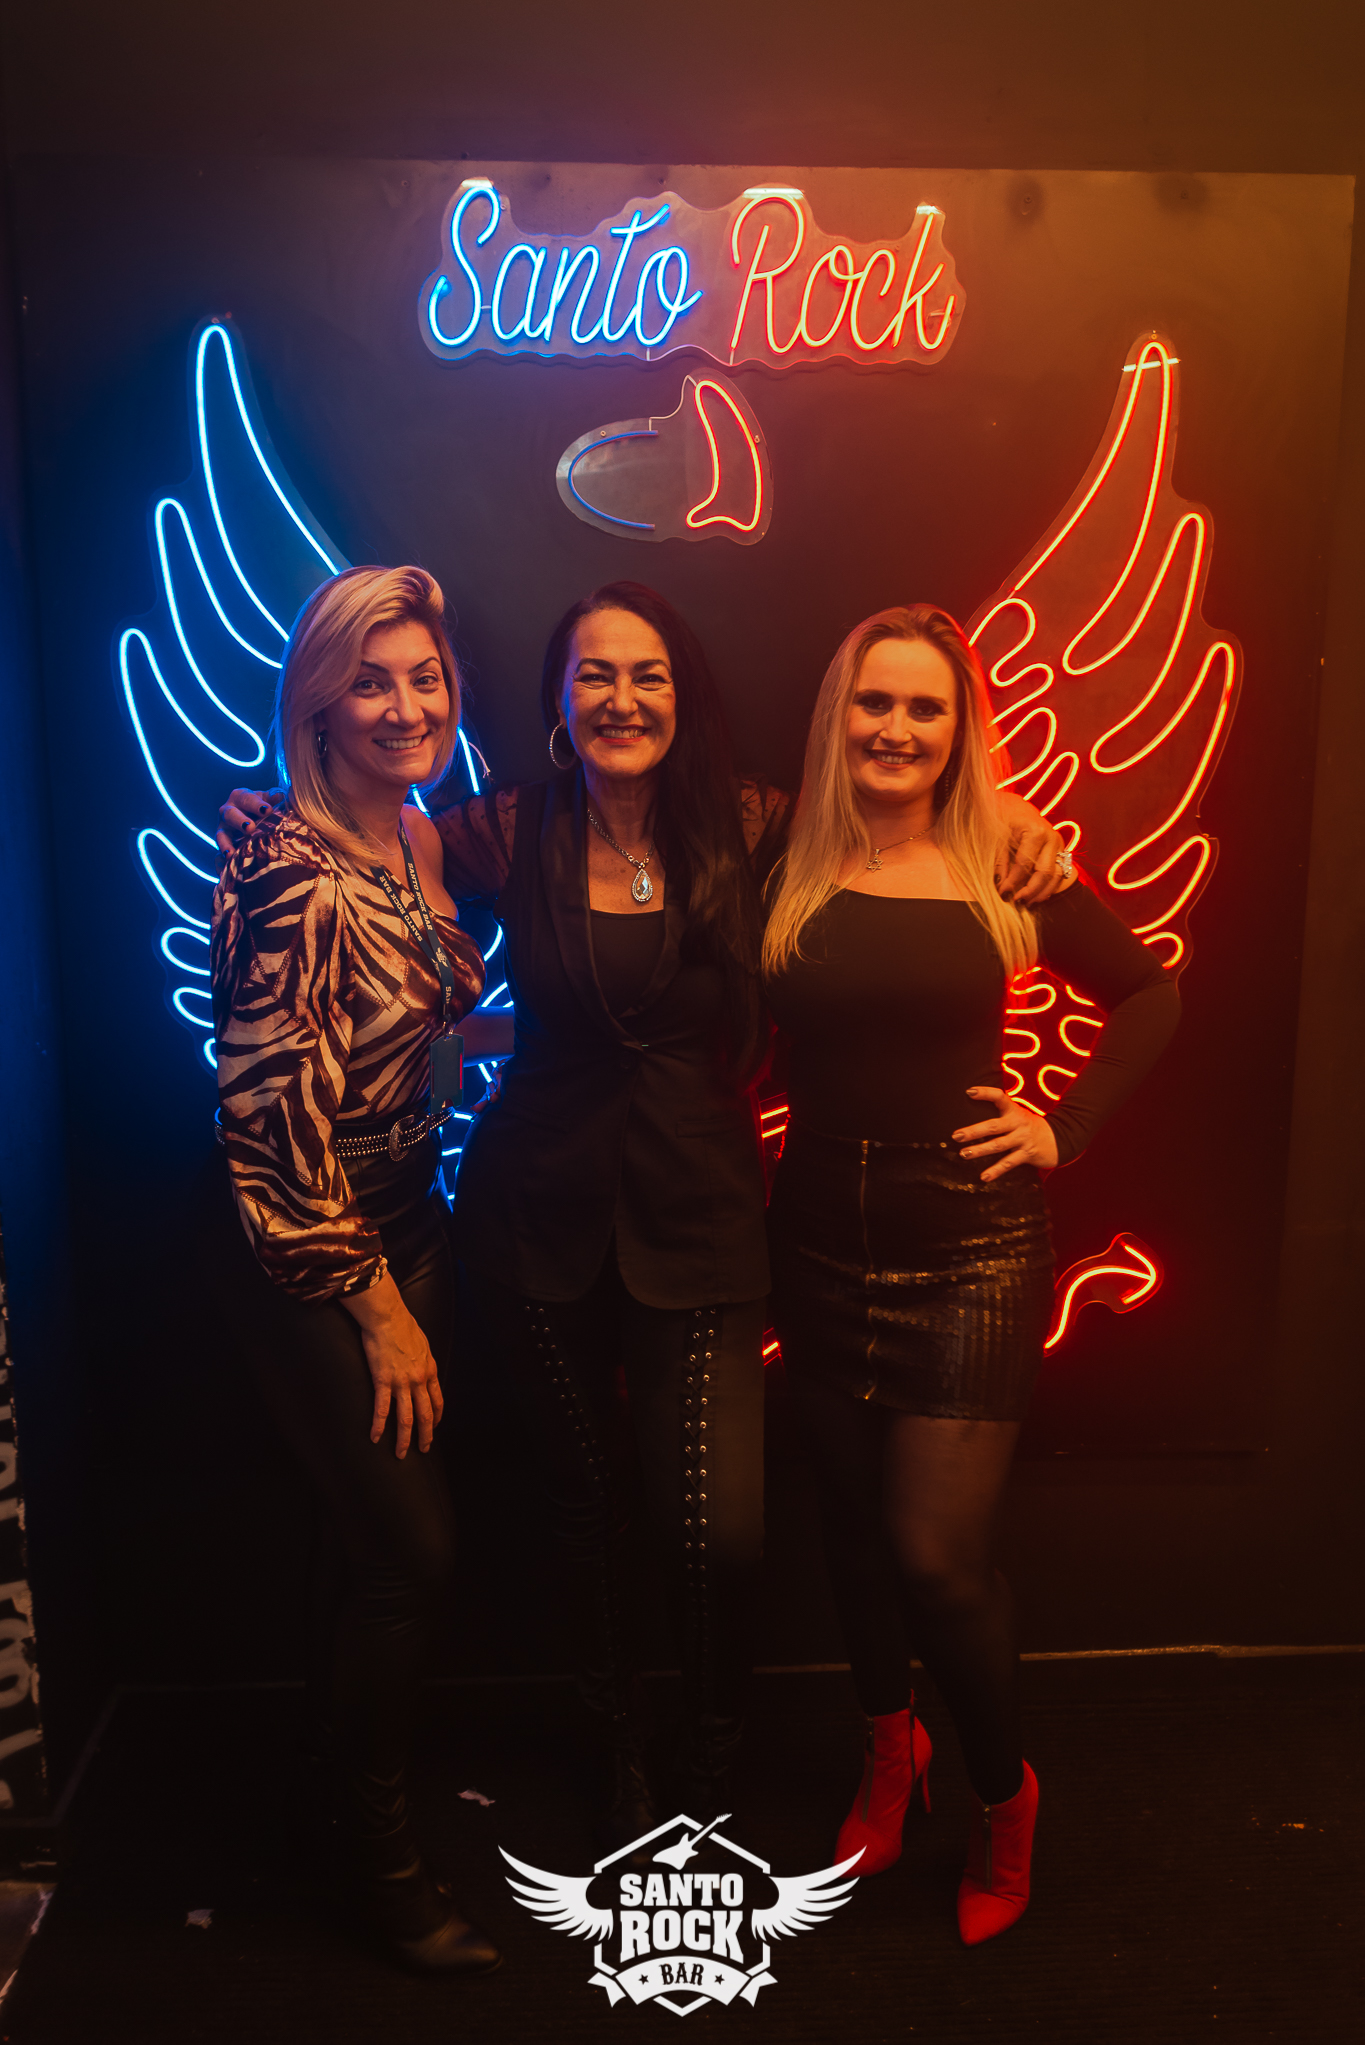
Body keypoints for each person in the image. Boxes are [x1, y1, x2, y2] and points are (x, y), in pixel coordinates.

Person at [220, 579, 1067, 1852]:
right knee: (582, 1514)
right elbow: (364, 847)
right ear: (559, 699)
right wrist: (264, 818)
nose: (622, 698)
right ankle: (617, 1748)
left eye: (648, 673)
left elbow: (890, 819)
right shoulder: (501, 826)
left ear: (683, 694)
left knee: (720, 1532)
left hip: (708, 1215)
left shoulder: (757, 824)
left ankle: (712, 1746)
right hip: (530, 1218)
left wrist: (1012, 827)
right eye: (595, 674)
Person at [762, 604, 1181, 1945]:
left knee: (936, 1558)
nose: (894, 728)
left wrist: (1065, 1125)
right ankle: (891, 1753)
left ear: (959, 728)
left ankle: (1006, 1795)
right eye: (873, 702)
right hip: (813, 1239)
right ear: (839, 714)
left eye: (923, 707)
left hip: (971, 1250)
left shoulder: (1003, 853)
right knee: (846, 1527)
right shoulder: (784, 847)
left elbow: (1152, 994)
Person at [208, 565, 507, 1974]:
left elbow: (412, 1031)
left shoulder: (409, 835)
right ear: (319, 702)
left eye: (425, 677)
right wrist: (380, 1312)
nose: (406, 706)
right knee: (408, 1551)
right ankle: (381, 1872)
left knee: (359, 1547)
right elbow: (269, 1132)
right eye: (372, 681)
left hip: (405, 1211)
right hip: (315, 1243)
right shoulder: (292, 873)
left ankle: (337, 1810)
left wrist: (548, 1042)